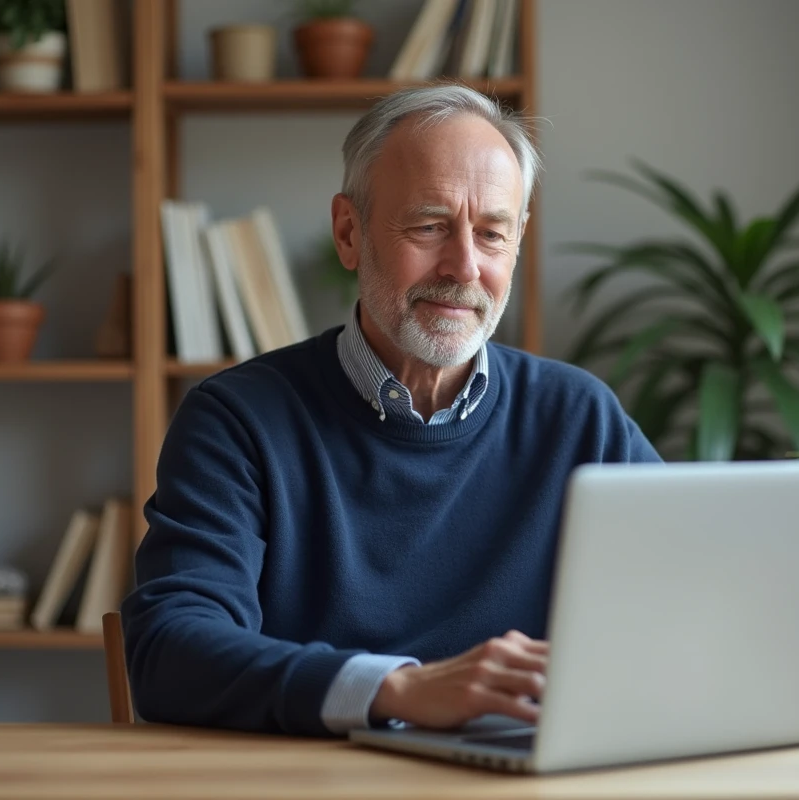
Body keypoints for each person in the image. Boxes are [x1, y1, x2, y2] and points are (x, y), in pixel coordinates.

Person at [121, 84, 662, 738]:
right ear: (349, 233)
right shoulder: (237, 421)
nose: (464, 266)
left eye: (492, 234)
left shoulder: (581, 418)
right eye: (430, 225)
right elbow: (169, 651)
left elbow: (701, 597)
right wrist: (397, 689)